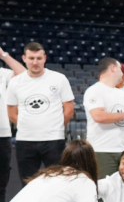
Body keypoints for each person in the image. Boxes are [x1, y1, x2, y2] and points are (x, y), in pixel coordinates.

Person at [5, 42, 75, 182]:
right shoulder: (15, 82)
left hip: (54, 140)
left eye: (38, 58)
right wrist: (27, 126)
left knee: (57, 182)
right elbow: (12, 113)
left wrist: (56, 127)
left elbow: (69, 109)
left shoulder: (59, 79)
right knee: (28, 184)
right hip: (25, 140)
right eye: (31, 58)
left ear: (45, 58)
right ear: (24, 58)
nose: (35, 62)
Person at [84, 57, 124, 177]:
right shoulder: (94, 90)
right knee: (104, 189)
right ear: (113, 68)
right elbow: (98, 116)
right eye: (120, 70)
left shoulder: (122, 94)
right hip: (103, 150)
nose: (123, 74)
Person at [0, 44, 26, 202]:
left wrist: (3, 54)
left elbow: (24, 74)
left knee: (1, 182)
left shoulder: (2, 74)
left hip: (2, 135)